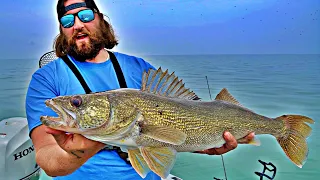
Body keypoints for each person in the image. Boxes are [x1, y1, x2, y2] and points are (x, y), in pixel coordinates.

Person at [25, 0, 255, 179]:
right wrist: (80, 150)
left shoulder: (141, 69)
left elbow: (184, 121)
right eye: (67, 21)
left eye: (84, 15)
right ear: (62, 30)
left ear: (100, 19)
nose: (77, 25)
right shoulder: (46, 78)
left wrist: (206, 143)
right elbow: (47, 159)